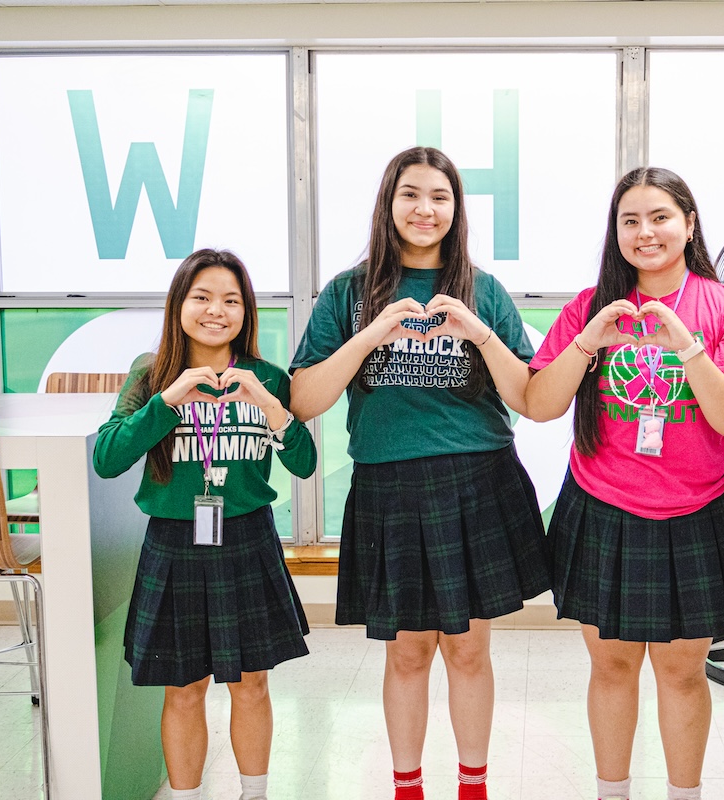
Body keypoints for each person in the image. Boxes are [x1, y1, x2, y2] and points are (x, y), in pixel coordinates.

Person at [288, 146, 548, 800]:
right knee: (406, 653)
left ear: (456, 209)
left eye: (440, 196)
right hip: (389, 486)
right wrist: (371, 335)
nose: (425, 209)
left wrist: (479, 333)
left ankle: (473, 787)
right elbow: (304, 400)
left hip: (477, 481)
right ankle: (407, 787)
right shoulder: (349, 294)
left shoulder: (482, 289)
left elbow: (530, 398)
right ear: (389, 202)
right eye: (412, 194)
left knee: (467, 649)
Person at [524, 167, 724, 800]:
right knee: (610, 669)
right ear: (615, 233)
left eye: (660, 216)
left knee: (683, 673)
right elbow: (541, 402)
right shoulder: (590, 305)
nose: (646, 232)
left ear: (690, 225)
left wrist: (688, 344)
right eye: (630, 220)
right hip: (602, 508)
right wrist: (587, 341)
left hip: (697, 512)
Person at [93, 248, 317, 800]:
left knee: (252, 683)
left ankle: (254, 793)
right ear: (179, 304)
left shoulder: (267, 376)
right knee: (184, 686)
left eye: (231, 300)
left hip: (248, 538)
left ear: (247, 312)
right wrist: (168, 400)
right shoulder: (150, 374)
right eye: (202, 297)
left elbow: (305, 463)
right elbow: (107, 457)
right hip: (173, 542)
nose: (216, 310)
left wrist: (269, 403)